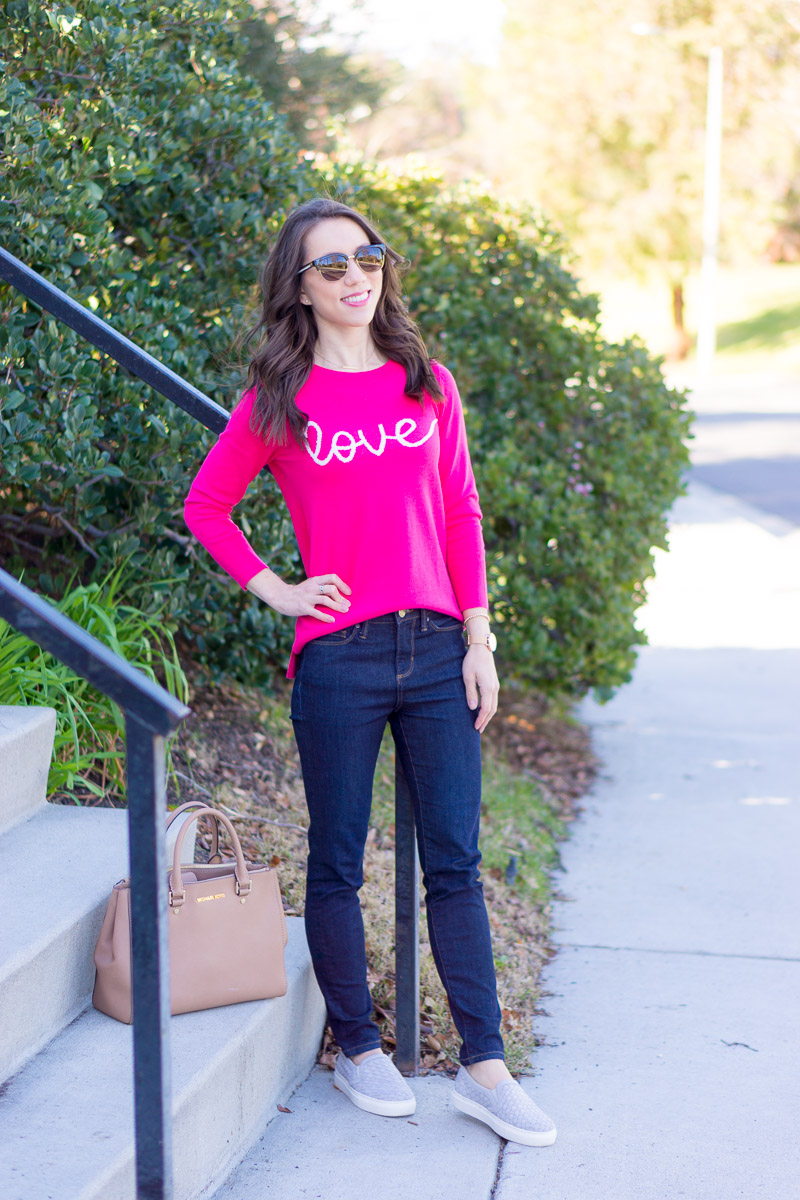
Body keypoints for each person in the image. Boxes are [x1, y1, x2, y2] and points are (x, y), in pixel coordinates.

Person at [183, 196, 556, 1147]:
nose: (357, 276)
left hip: (437, 651)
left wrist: (480, 638)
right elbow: (208, 506)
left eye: (368, 257)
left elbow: (461, 513)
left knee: (457, 864)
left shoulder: (426, 383)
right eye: (332, 266)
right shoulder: (280, 399)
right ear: (299, 289)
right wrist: (281, 591)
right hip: (339, 659)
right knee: (338, 862)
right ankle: (358, 1046)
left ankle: (484, 1066)